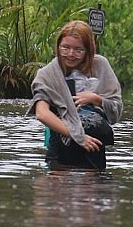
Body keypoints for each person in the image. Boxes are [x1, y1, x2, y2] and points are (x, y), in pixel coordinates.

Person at [31, 20, 123, 170]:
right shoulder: (47, 74)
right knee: (55, 185)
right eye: (65, 48)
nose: (71, 54)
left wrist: (95, 98)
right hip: (62, 141)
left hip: (94, 143)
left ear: (89, 50)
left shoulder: (100, 65)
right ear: (58, 47)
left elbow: (116, 109)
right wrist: (78, 136)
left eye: (78, 50)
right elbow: (42, 113)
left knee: (92, 187)